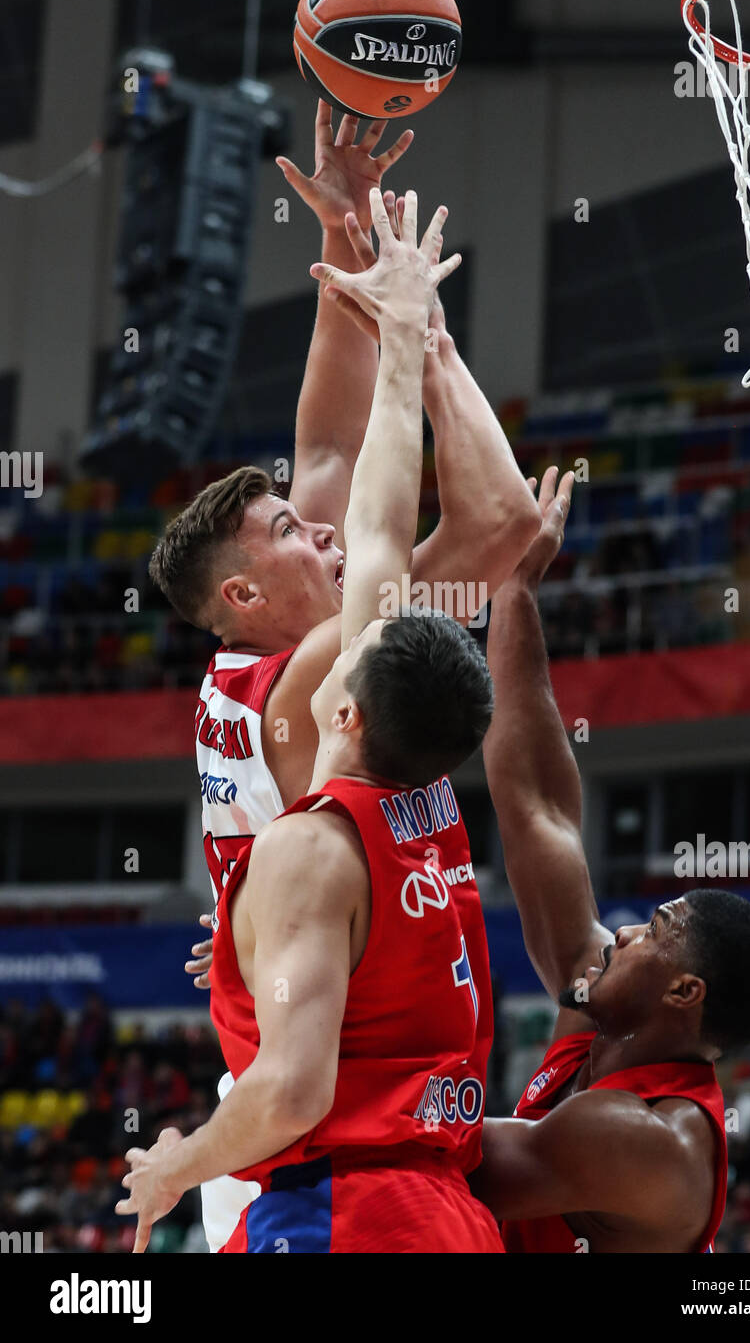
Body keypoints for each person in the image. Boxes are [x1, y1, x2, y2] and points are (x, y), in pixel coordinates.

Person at [149, 113, 539, 1249]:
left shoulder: (264, 654)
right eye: (284, 533)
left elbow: (327, 457)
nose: (316, 532)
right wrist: (416, 330)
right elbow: (499, 524)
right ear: (242, 594)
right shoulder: (312, 669)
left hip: (323, 1119)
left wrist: (346, 236)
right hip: (307, 1141)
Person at [469, 469, 750, 1252]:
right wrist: (515, 593)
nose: (623, 936)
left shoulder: (655, 1142)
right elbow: (537, 806)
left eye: (656, 928)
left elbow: (445, 1162)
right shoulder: (603, 1004)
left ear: (685, 990)